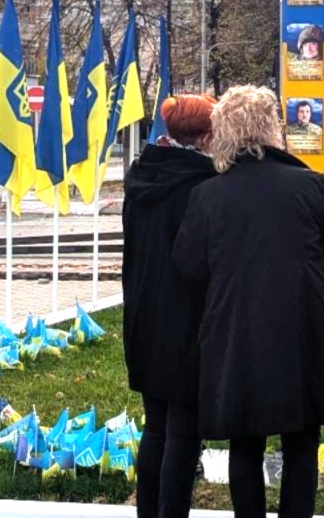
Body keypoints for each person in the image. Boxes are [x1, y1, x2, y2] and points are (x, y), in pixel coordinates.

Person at [172, 86, 324, 518]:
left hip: (238, 329)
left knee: (245, 440)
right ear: (271, 128)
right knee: (301, 441)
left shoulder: (209, 194)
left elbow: (188, 263)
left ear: (224, 132)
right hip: (303, 325)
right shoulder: (306, 183)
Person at [123, 94, 218, 518]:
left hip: (144, 313)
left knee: (155, 426)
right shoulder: (202, 184)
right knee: (183, 429)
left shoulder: (141, 173)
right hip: (187, 316)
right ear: (206, 134)